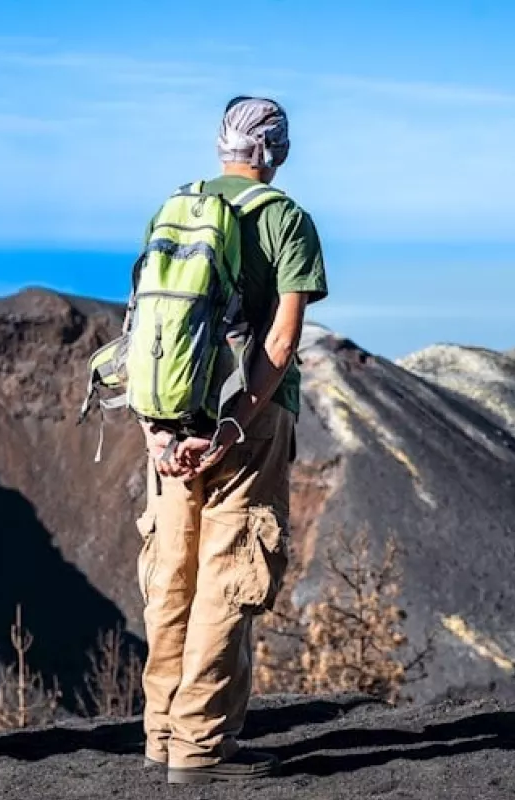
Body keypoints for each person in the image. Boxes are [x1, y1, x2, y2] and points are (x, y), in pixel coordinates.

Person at [135, 95, 328, 785]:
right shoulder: (285, 219)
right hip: (245, 422)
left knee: (171, 576)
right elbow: (281, 338)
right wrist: (235, 422)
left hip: (171, 415)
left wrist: (162, 433)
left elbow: (148, 334)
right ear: (274, 149)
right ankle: (199, 749)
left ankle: (160, 734)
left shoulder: (176, 209)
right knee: (228, 576)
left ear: (222, 146)